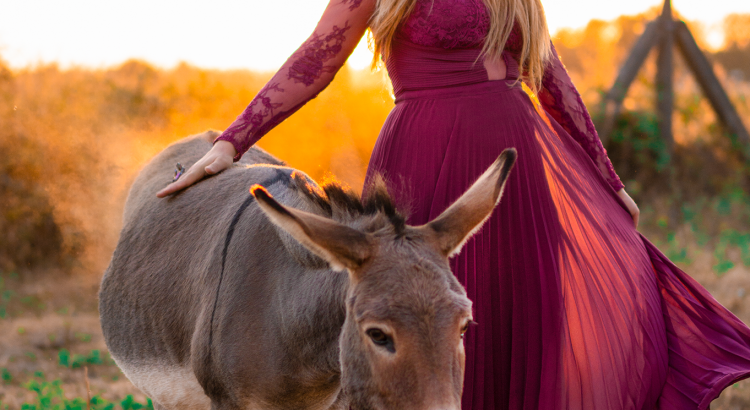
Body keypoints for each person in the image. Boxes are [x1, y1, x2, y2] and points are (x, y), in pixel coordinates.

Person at [156, 0, 750, 408]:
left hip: (517, 168)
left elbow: (548, 73)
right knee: (421, 327)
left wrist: (607, 175)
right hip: (426, 162)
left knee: (530, 319)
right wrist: (234, 141)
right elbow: (319, 56)